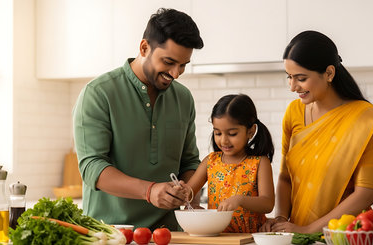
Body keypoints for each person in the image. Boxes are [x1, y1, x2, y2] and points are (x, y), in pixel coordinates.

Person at [259, 30, 373, 234]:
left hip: (345, 235)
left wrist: (309, 229)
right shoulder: (294, 112)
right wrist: (281, 219)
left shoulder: (366, 121)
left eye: (301, 78)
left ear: (329, 73)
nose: (293, 87)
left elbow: (364, 195)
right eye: (289, 77)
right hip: (296, 235)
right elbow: (285, 177)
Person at [72, 8, 204, 230]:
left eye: (182, 65)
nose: (176, 73)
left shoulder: (183, 98)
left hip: (169, 234)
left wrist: (188, 192)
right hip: (111, 233)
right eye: (169, 61)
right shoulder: (99, 93)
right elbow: (92, 167)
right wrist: (150, 191)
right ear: (144, 48)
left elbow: (189, 162)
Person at [184, 94, 275, 233]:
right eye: (218, 133)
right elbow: (188, 192)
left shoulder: (260, 162)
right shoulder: (211, 161)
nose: (224, 141)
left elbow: (268, 203)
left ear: (251, 131)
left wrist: (240, 200)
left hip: (250, 238)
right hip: (217, 237)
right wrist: (183, 195)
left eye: (232, 134)